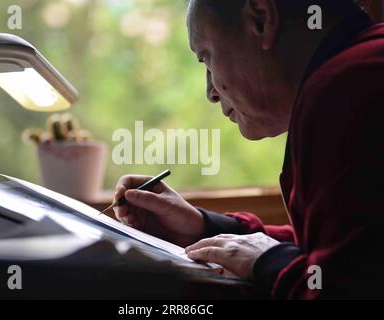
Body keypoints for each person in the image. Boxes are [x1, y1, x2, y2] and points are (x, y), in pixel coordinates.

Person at [114, 0, 384, 299]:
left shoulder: (347, 88)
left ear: (260, 20)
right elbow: (348, 250)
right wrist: (208, 228)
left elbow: (340, 290)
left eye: (206, 58)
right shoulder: (361, 67)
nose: (211, 93)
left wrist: (269, 262)